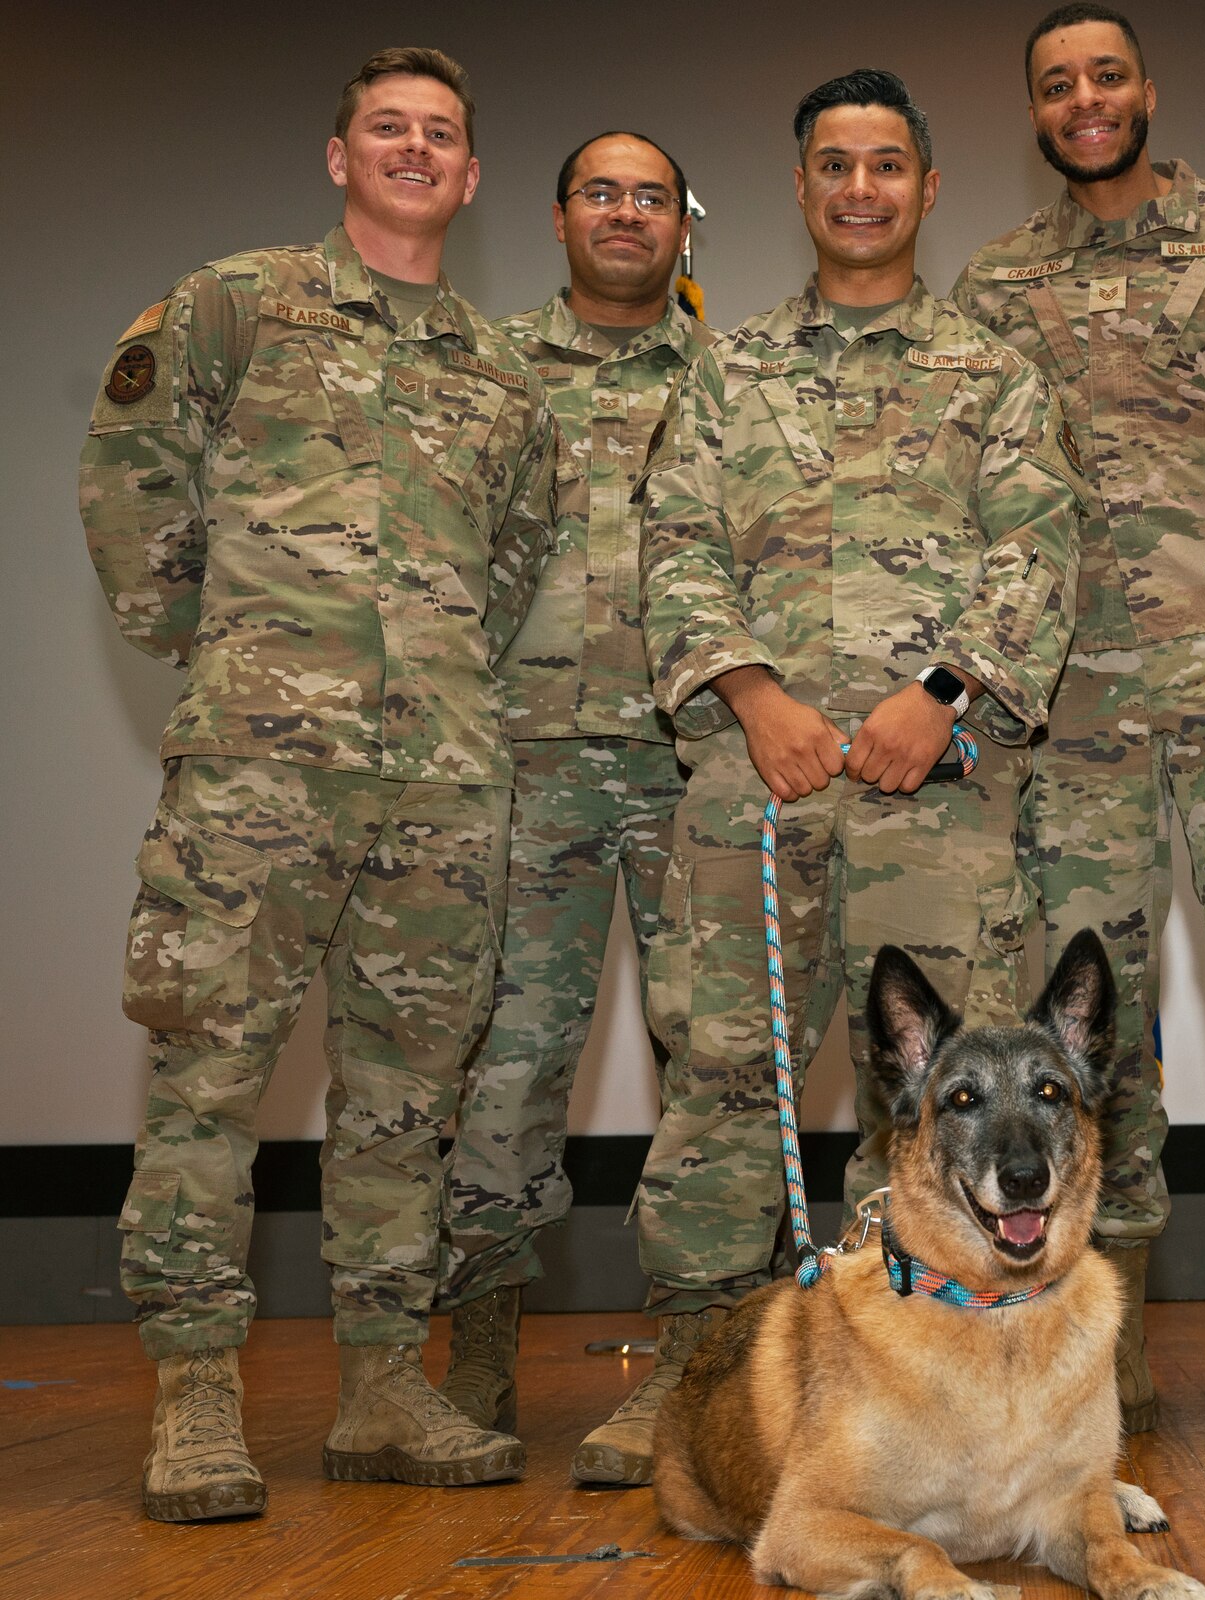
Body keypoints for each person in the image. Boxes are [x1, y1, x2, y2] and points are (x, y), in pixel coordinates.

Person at [80, 47, 556, 1521]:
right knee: (207, 1085)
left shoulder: (503, 375)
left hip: (442, 788)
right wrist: (230, 655)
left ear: (471, 179)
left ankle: (378, 1383)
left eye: (443, 137)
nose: (415, 151)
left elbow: (516, 561)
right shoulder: (234, 303)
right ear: (339, 155)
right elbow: (129, 478)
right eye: (388, 129)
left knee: (407, 1100)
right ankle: (197, 1395)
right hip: (258, 786)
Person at [629, 68, 1082, 1481]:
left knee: (945, 1104)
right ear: (805, 186)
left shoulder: (993, 374)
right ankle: (693, 1395)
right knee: (720, 1084)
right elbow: (675, 541)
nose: (862, 189)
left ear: (929, 188)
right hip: (754, 790)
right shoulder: (729, 372)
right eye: (836, 165)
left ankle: (932, 1401)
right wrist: (753, 697)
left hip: (931, 809)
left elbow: (1038, 551)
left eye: (888, 165)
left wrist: (940, 697)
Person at [953, 2, 1205, 1442]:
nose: (1085, 100)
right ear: (1037, 112)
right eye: (1056, 84)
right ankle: (1102, 1353)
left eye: (1105, 75)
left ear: (1147, 89)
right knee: (1089, 1020)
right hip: (1080, 704)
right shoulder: (995, 283)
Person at [431, 131, 714, 1485]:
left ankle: (695, 1366)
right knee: (503, 1069)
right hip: (526, 768)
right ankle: (477, 1355)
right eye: (599, 192)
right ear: (555, 219)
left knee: (715, 1069)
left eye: (649, 196)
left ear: (683, 226)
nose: (624, 213)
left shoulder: (738, 378)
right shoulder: (485, 374)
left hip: (698, 769)